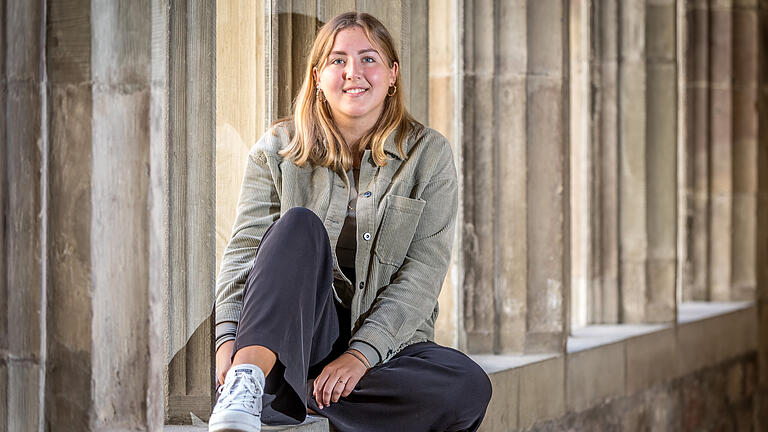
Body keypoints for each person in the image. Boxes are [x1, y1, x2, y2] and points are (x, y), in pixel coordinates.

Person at [208, 11, 492, 432]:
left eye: (368, 59)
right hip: (299, 336)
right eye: (338, 60)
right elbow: (245, 253)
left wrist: (359, 355)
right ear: (319, 76)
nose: (353, 73)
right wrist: (227, 340)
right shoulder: (277, 149)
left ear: (392, 74)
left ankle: (291, 394)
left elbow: (421, 276)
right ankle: (251, 380)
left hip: (384, 348)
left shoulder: (428, 156)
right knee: (299, 225)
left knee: (467, 387)